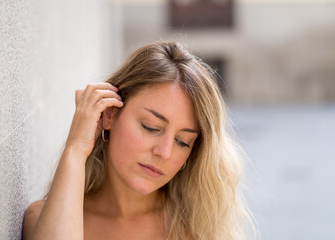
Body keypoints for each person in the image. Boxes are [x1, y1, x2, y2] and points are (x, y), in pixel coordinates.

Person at [22, 41, 253, 240]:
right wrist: (75, 151)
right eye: (151, 127)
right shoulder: (46, 219)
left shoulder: (195, 230)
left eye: (183, 141)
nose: (165, 152)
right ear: (110, 114)